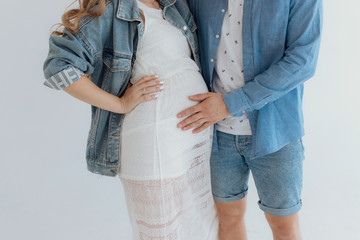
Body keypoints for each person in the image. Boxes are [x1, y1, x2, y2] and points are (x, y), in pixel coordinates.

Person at [42, 0, 218, 239]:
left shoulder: (172, 5)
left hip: (193, 140)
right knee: (163, 231)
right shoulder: (111, 9)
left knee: (200, 226)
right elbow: (59, 67)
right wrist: (120, 104)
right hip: (155, 140)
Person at [179, 0, 323, 239]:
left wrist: (230, 103)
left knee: (284, 226)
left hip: (276, 131)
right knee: (227, 219)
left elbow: (303, 61)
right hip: (216, 132)